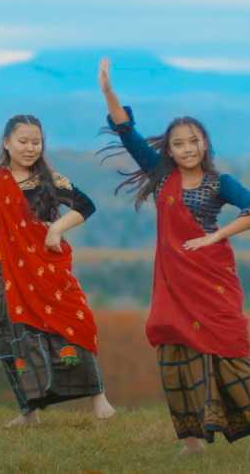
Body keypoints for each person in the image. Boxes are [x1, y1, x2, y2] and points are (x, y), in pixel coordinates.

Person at [0, 90, 115, 426]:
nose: (30, 148)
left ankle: (98, 397)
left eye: (36, 141)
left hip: (45, 265)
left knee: (70, 322)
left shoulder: (50, 181)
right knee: (6, 329)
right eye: (23, 141)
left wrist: (55, 228)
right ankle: (28, 410)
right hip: (4, 265)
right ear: (6, 142)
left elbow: (85, 206)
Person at [98, 57, 250, 454]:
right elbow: (127, 133)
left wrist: (214, 240)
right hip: (173, 284)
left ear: (205, 144)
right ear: (170, 148)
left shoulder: (221, 182)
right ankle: (191, 440)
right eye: (179, 143)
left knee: (231, 347)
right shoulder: (162, 176)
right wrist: (109, 93)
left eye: (194, 141)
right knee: (175, 352)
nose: (187, 148)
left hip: (213, 279)